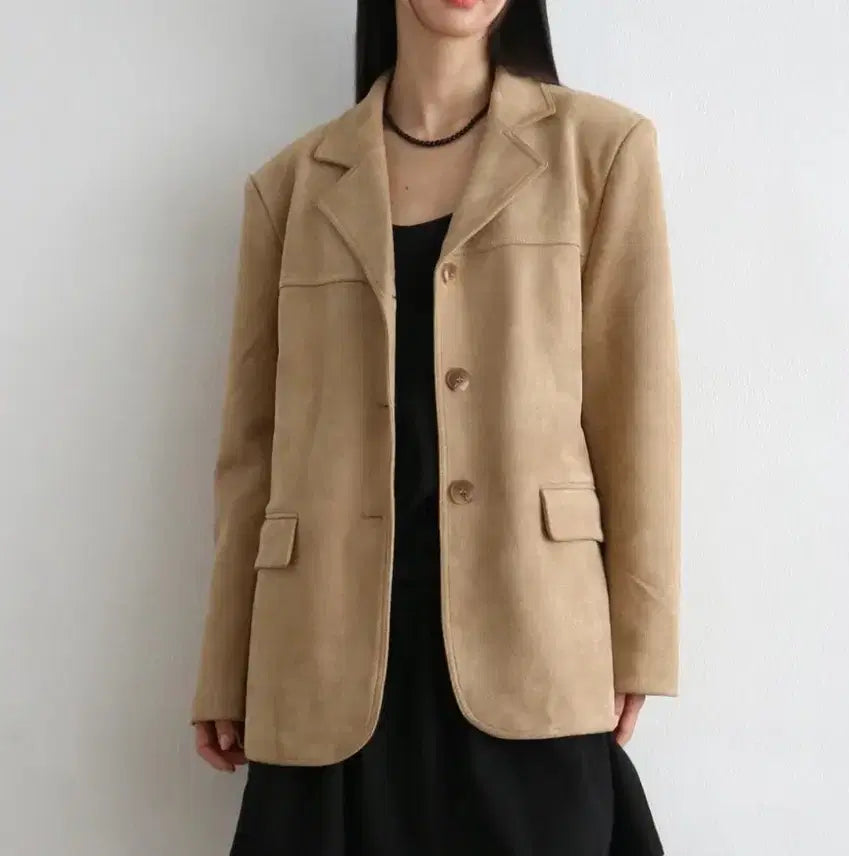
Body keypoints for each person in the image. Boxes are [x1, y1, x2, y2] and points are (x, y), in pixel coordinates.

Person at [190, 1, 682, 854]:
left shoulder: (600, 150)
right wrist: (226, 663)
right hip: (325, 650)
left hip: (531, 638)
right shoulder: (291, 186)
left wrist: (640, 644)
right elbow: (252, 449)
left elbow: (637, 415)